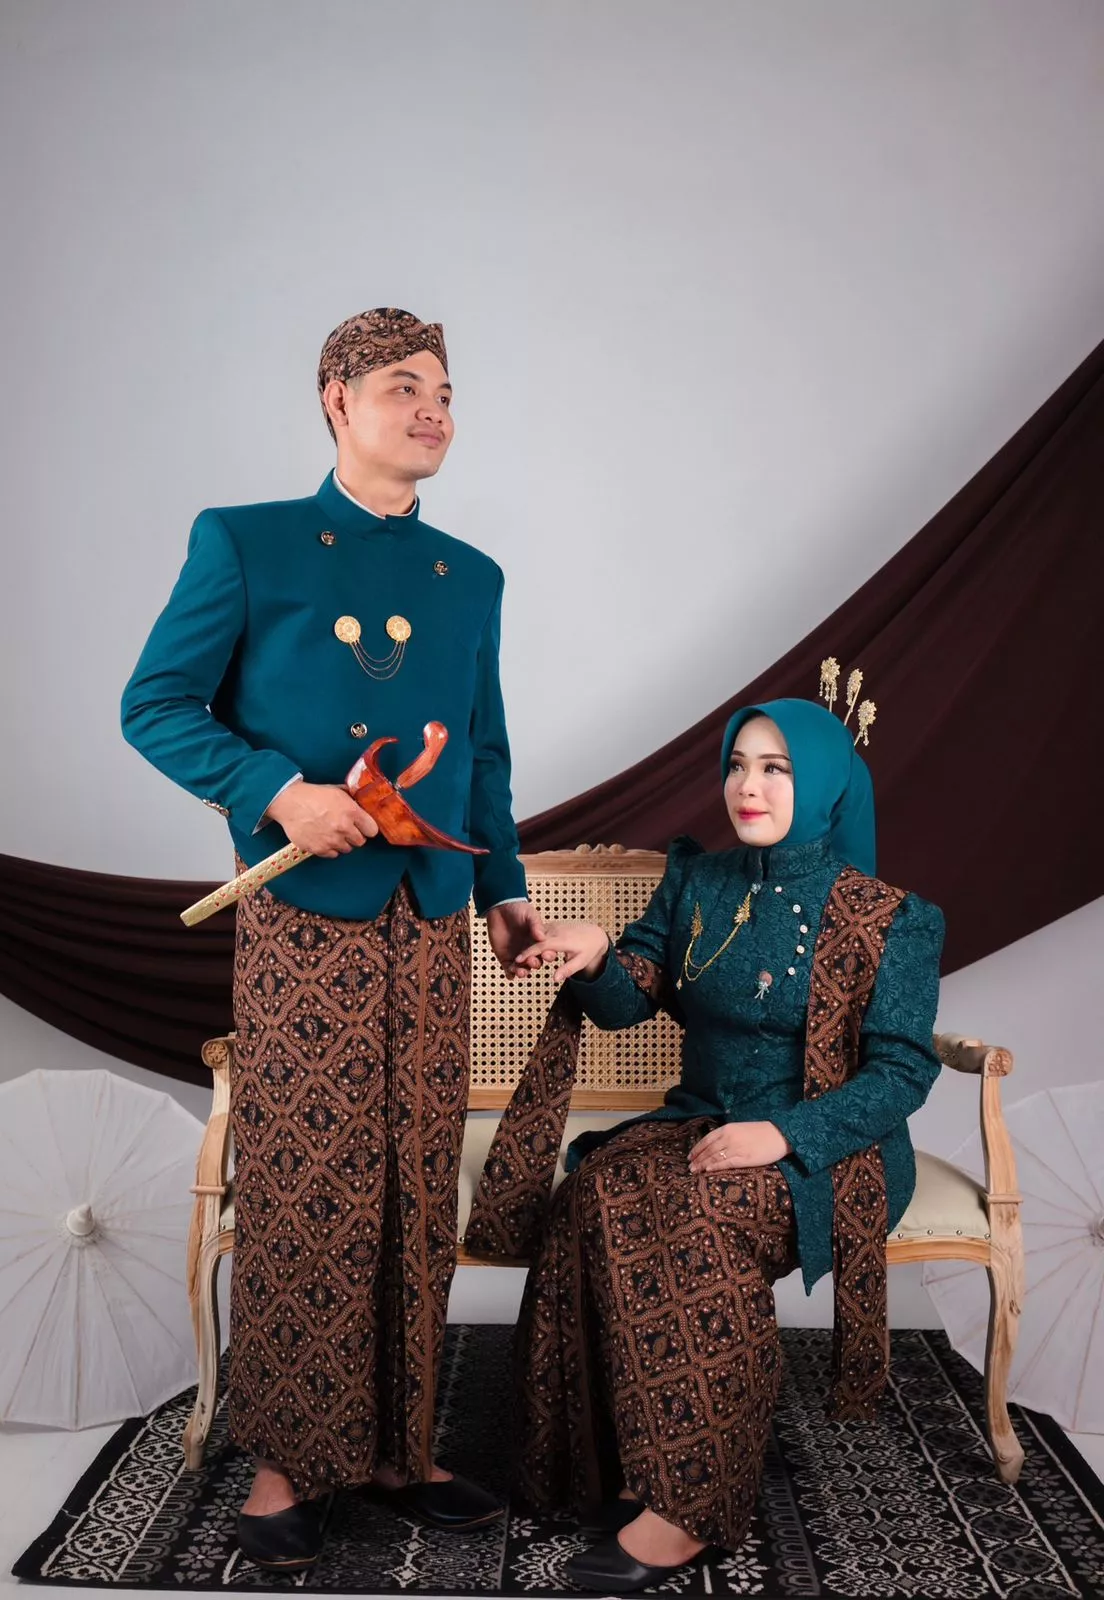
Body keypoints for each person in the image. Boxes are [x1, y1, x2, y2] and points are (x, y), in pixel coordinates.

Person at [121, 307, 542, 1571]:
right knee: (309, 1184)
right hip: (306, 914)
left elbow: (483, 751)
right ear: (335, 399)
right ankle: (287, 1460)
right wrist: (278, 792)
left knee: (416, 1179)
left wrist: (504, 887)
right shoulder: (245, 541)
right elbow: (156, 704)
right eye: (404, 385)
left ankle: (404, 1448)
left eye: (446, 392)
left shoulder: (472, 575)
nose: (433, 409)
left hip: (432, 915)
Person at [507, 698, 944, 1592]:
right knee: (596, 1193)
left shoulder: (890, 917)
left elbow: (901, 1074)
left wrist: (781, 1133)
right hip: (700, 1120)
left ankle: (688, 1512)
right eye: (738, 765)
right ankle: (611, 1462)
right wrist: (598, 955)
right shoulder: (696, 881)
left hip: (830, 1148)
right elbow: (630, 998)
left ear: (821, 783)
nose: (749, 786)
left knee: (699, 1219)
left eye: (776, 769)